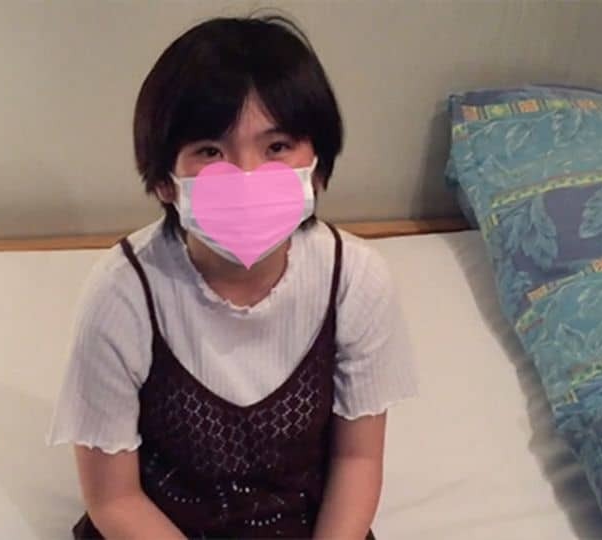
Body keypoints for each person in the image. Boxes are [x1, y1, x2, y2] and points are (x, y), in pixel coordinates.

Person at [47, 13, 417, 539]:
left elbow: (357, 460)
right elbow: (114, 498)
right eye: (210, 152)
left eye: (277, 147)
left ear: (317, 162)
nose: (246, 176)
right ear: (164, 180)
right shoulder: (122, 292)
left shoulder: (355, 279)